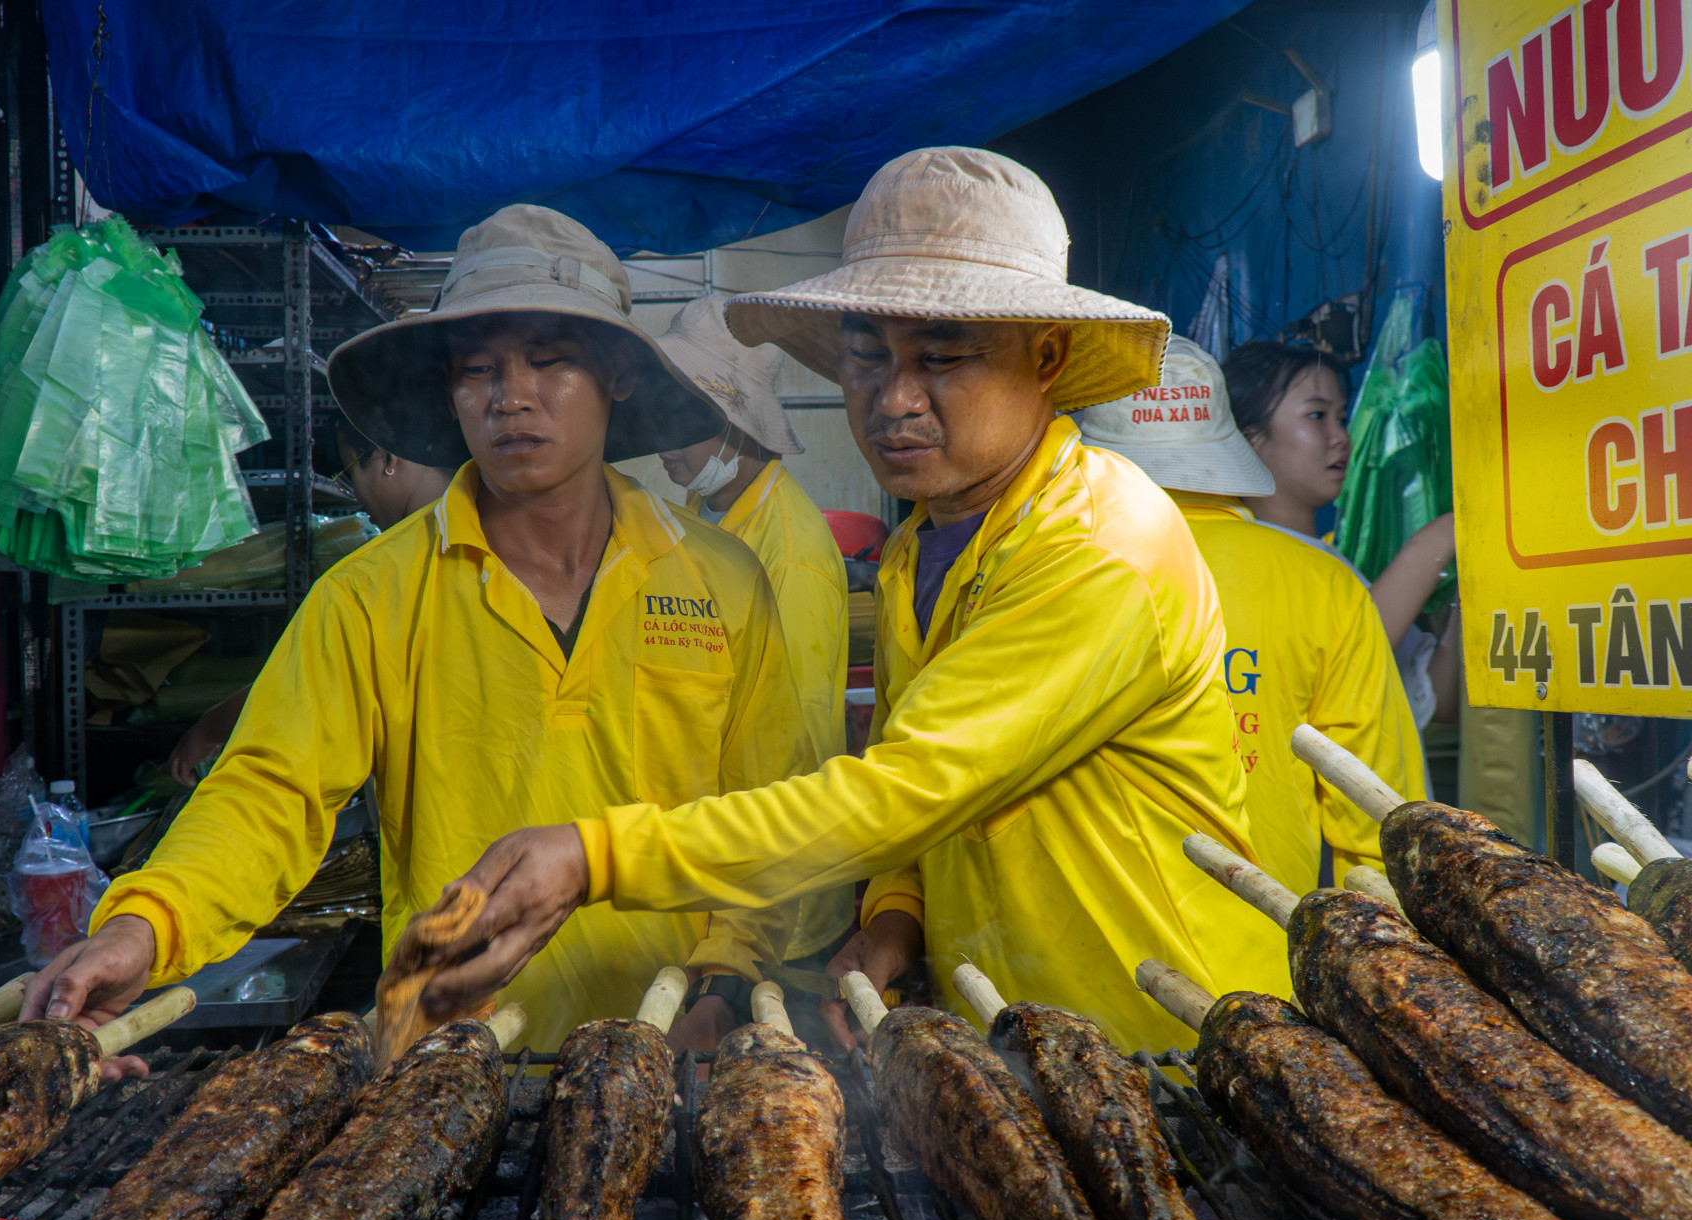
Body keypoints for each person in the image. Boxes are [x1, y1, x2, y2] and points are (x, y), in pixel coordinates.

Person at [414, 148, 1291, 1055]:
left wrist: (596, 856)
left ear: (1048, 355)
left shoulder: (1103, 543)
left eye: (943, 358)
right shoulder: (919, 550)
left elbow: (901, 791)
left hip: (1171, 1047)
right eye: (868, 356)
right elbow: (931, 794)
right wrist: (899, 915)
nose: (894, 400)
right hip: (1014, 1052)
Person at [24, 204, 812, 1055]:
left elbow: (773, 817)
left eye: (549, 361)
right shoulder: (372, 595)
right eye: (478, 370)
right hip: (444, 1067)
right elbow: (266, 795)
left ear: (619, 374)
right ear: (448, 390)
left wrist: (728, 981)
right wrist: (145, 924)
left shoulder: (724, 583)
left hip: (672, 1050)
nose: (512, 397)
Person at [1075, 335, 1426, 894]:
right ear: (1233, 442)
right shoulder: (1323, 585)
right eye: (1317, 414)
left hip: (1065, 954)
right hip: (1263, 946)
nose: (1342, 435)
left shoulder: (1040, 574)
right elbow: (1375, 816)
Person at [654, 295, 853, 960]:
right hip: (720, 865)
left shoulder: (788, 554)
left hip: (778, 910)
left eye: (685, 419)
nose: (663, 441)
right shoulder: (708, 509)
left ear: (738, 423)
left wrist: (751, 923)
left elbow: (791, 754)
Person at [165, 431, 452, 787]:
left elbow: (312, 677)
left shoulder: (394, 566)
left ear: (387, 458)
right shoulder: (483, 530)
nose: (358, 498)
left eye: (349, 476)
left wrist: (210, 727)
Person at [1221, 341, 1461, 730]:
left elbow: (1437, 699)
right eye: (1317, 416)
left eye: (1342, 416)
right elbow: (1351, 656)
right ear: (1251, 438)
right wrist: (1437, 541)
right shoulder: (1246, 565)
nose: (1341, 437)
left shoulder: (1333, 563)